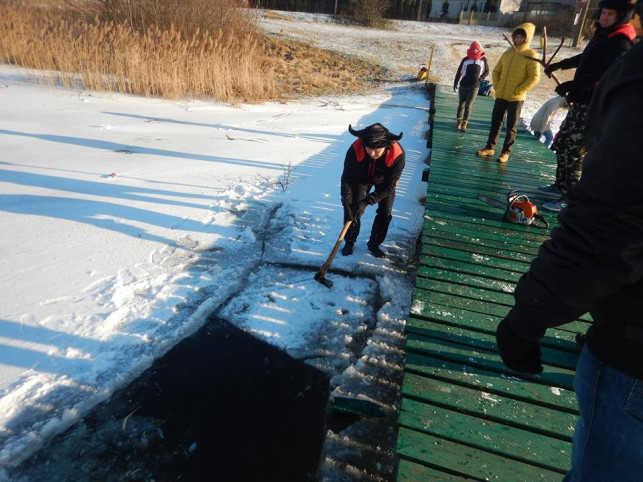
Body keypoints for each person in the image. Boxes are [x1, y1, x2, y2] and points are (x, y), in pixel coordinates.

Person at [495, 1, 643, 477]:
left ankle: (565, 185)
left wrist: (528, 316)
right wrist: (567, 72)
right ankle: (564, 183)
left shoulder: (629, 60)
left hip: (633, 353)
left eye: (607, 12)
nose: (600, 18)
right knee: (571, 152)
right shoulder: (613, 47)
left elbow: (612, 222)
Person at [539, 0, 636, 211]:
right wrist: (561, 65)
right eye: (602, 13)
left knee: (575, 151)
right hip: (580, 102)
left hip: (595, 107)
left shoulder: (621, 42)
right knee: (563, 144)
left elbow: (604, 74)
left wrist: (572, 85)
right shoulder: (603, 35)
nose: (603, 17)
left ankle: (570, 197)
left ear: (621, 17)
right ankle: (560, 186)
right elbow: (586, 57)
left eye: (609, 14)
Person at [476, 23, 540, 164]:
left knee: (511, 126)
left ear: (527, 38)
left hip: (516, 98)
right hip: (501, 95)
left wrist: (519, 90)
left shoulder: (531, 55)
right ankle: (490, 147)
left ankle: (506, 152)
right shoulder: (507, 53)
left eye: (521, 37)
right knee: (495, 122)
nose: (518, 39)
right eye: (516, 36)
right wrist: (498, 87)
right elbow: (496, 71)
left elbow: (534, 77)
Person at [340, 123, 404, 259]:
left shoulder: (396, 155)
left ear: (386, 146)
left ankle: (374, 244)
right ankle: (349, 241)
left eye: (377, 150)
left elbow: (389, 186)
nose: (373, 154)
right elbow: (347, 178)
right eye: (369, 149)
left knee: (385, 212)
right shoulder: (355, 149)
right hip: (361, 177)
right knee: (352, 208)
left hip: (384, 182)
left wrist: (366, 202)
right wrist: (346, 200)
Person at [453, 41, 489, 133]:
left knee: (468, 106)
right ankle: (458, 122)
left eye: (476, 49)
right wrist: (455, 83)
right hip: (463, 85)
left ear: (479, 49)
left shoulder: (483, 59)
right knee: (461, 105)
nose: (475, 50)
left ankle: (464, 124)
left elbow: (487, 71)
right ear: (470, 49)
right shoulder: (465, 59)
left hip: (474, 86)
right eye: (473, 48)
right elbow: (459, 72)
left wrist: (480, 78)